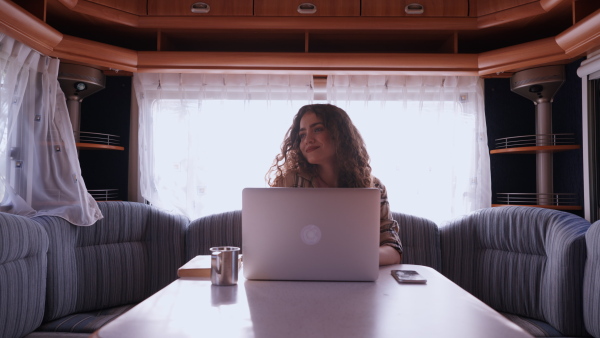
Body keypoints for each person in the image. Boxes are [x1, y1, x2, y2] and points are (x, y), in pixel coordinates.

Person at [266, 103, 403, 266]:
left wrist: (354, 258)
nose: (308, 140)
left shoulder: (374, 187)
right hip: (301, 271)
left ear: (340, 134)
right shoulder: (289, 181)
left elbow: (393, 249)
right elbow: (271, 241)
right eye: (302, 135)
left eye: (317, 129)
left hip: (353, 274)